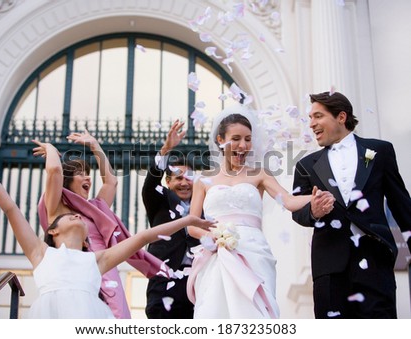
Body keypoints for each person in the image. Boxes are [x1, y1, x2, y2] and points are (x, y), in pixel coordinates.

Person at [0, 153, 216, 319]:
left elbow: (144, 236)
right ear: (52, 229)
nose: (78, 217)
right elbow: (10, 208)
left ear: (87, 241)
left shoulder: (97, 259)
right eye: (71, 217)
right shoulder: (40, 253)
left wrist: (189, 220)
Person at [185, 104, 334, 318]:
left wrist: (315, 197)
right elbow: (191, 225)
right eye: (236, 138)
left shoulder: (260, 174)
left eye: (247, 139)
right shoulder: (203, 180)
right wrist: (212, 236)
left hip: (253, 251)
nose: (243, 145)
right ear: (220, 141)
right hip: (217, 254)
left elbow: (289, 201)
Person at [292, 91, 411, 318]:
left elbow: (402, 205)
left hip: (375, 263)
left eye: (318, 116)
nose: (311, 124)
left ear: (341, 117)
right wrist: (313, 212)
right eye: (309, 118)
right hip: (329, 268)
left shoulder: (380, 151)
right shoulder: (305, 165)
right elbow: (298, 212)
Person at [33, 130, 165, 319]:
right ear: (67, 181)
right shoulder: (57, 208)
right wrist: (51, 149)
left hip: (105, 268)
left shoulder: (95, 207)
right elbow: (54, 171)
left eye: (88, 174)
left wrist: (95, 146)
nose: (88, 178)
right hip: (76, 273)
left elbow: (111, 182)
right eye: (80, 174)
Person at [142, 120, 201, 319]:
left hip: (199, 284)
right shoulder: (159, 200)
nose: (184, 182)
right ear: (168, 181)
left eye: (189, 177)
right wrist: (166, 149)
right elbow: (150, 184)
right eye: (178, 178)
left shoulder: (205, 205)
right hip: (164, 283)